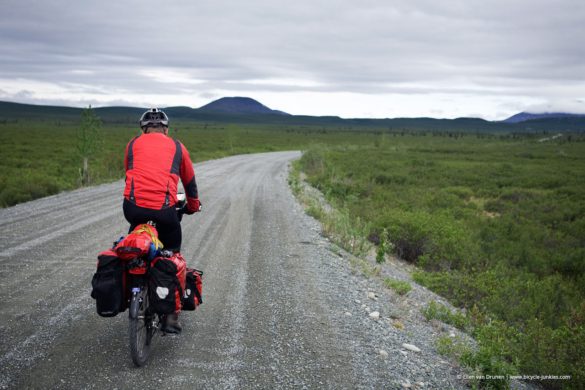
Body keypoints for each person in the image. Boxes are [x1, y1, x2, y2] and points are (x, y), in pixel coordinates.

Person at [123, 108, 201, 333]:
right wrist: (192, 207)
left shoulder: (132, 145)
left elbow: (130, 174)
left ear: (143, 129)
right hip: (165, 212)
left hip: (133, 210)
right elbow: (189, 182)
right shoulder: (177, 146)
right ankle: (170, 318)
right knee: (172, 253)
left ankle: (133, 289)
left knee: (136, 242)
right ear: (166, 129)